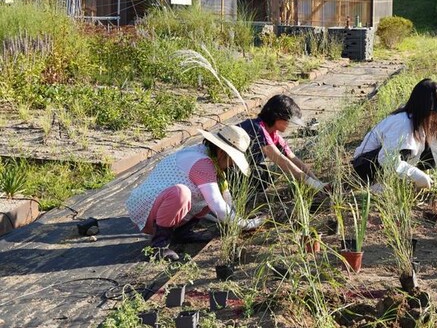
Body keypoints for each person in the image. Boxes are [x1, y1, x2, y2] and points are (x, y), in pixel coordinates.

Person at [125, 125, 264, 261]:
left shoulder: (212, 161)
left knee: (208, 195)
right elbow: (217, 204)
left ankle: (182, 233)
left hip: (164, 208)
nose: (232, 165)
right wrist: (245, 224)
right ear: (222, 152)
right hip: (146, 209)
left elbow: (225, 198)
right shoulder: (202, 162)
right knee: (181, 193)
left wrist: (237, 219)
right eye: (232, 160)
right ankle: (158, 246)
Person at [352, 78, 437, 198]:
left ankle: (396, 184)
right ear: (427, 108)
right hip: (367, 165)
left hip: (389, 163)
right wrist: (417, 175)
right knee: (394, 187)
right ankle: (377, 186)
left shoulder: (427, 122)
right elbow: (386, 159)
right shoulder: (403, 123)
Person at [238, 94, 325, 194]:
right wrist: (314, 184)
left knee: (264, 175)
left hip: (244, 167)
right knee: (259, 175)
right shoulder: (256, 128)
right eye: (287, 120)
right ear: (277, 117)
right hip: (227, 169)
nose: (288, 124)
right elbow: (282, 161)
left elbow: (292, 158)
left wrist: (318, 182)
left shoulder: (273, 134)